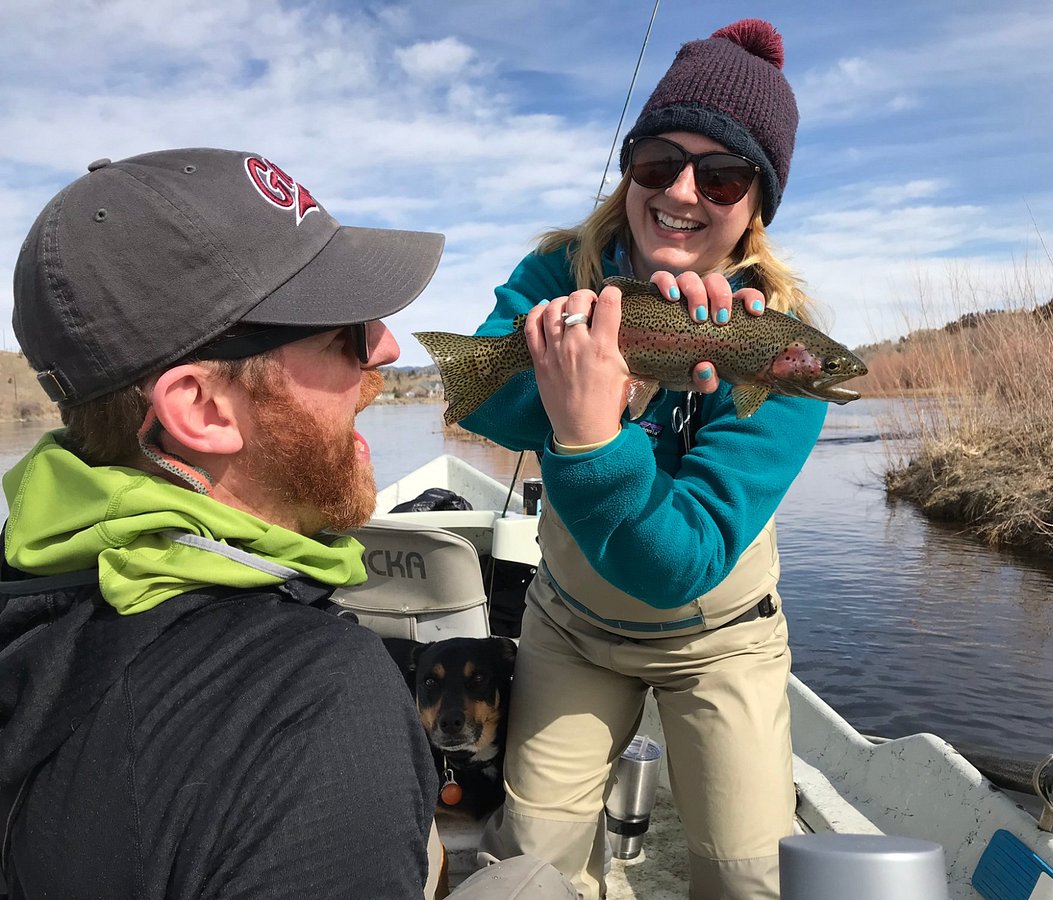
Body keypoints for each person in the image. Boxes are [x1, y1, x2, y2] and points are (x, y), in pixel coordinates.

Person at [0, 149, 572, 900]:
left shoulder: (28, 594)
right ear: (202, 409)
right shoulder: (323, 702)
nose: (387, 347)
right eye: (343, 335)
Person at [466, 19, 827, 900]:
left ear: (757, 204)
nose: (683, 191)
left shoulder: (785, 353)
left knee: (750, 878)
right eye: (659, 163)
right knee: (527, 867)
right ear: (630, 169)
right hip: (569, 624)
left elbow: (681, 564)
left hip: (722, 641)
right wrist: (603, 388)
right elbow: (476, 387)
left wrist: (591, 436)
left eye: (724, 174)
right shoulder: (559, 270)